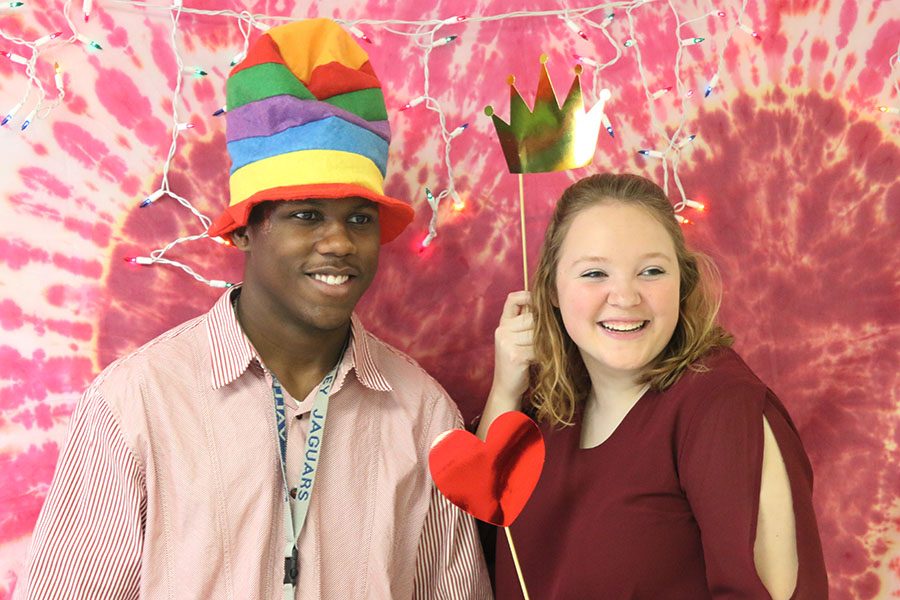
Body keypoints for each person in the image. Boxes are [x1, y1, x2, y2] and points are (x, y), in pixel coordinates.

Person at [21, 19, 490, 599]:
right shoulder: (136, 404)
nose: (339, 242)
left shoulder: (424, 417)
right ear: (244, 232)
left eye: (360, 219)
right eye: (306, 215)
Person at [479, 173, 828, 599]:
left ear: (682, 283)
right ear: (551, 289)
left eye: (651, 271)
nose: (625, 296)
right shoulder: (547, 406)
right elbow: (478, 540)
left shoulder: (721, 407)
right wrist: (504, 391)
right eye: (594, 273)